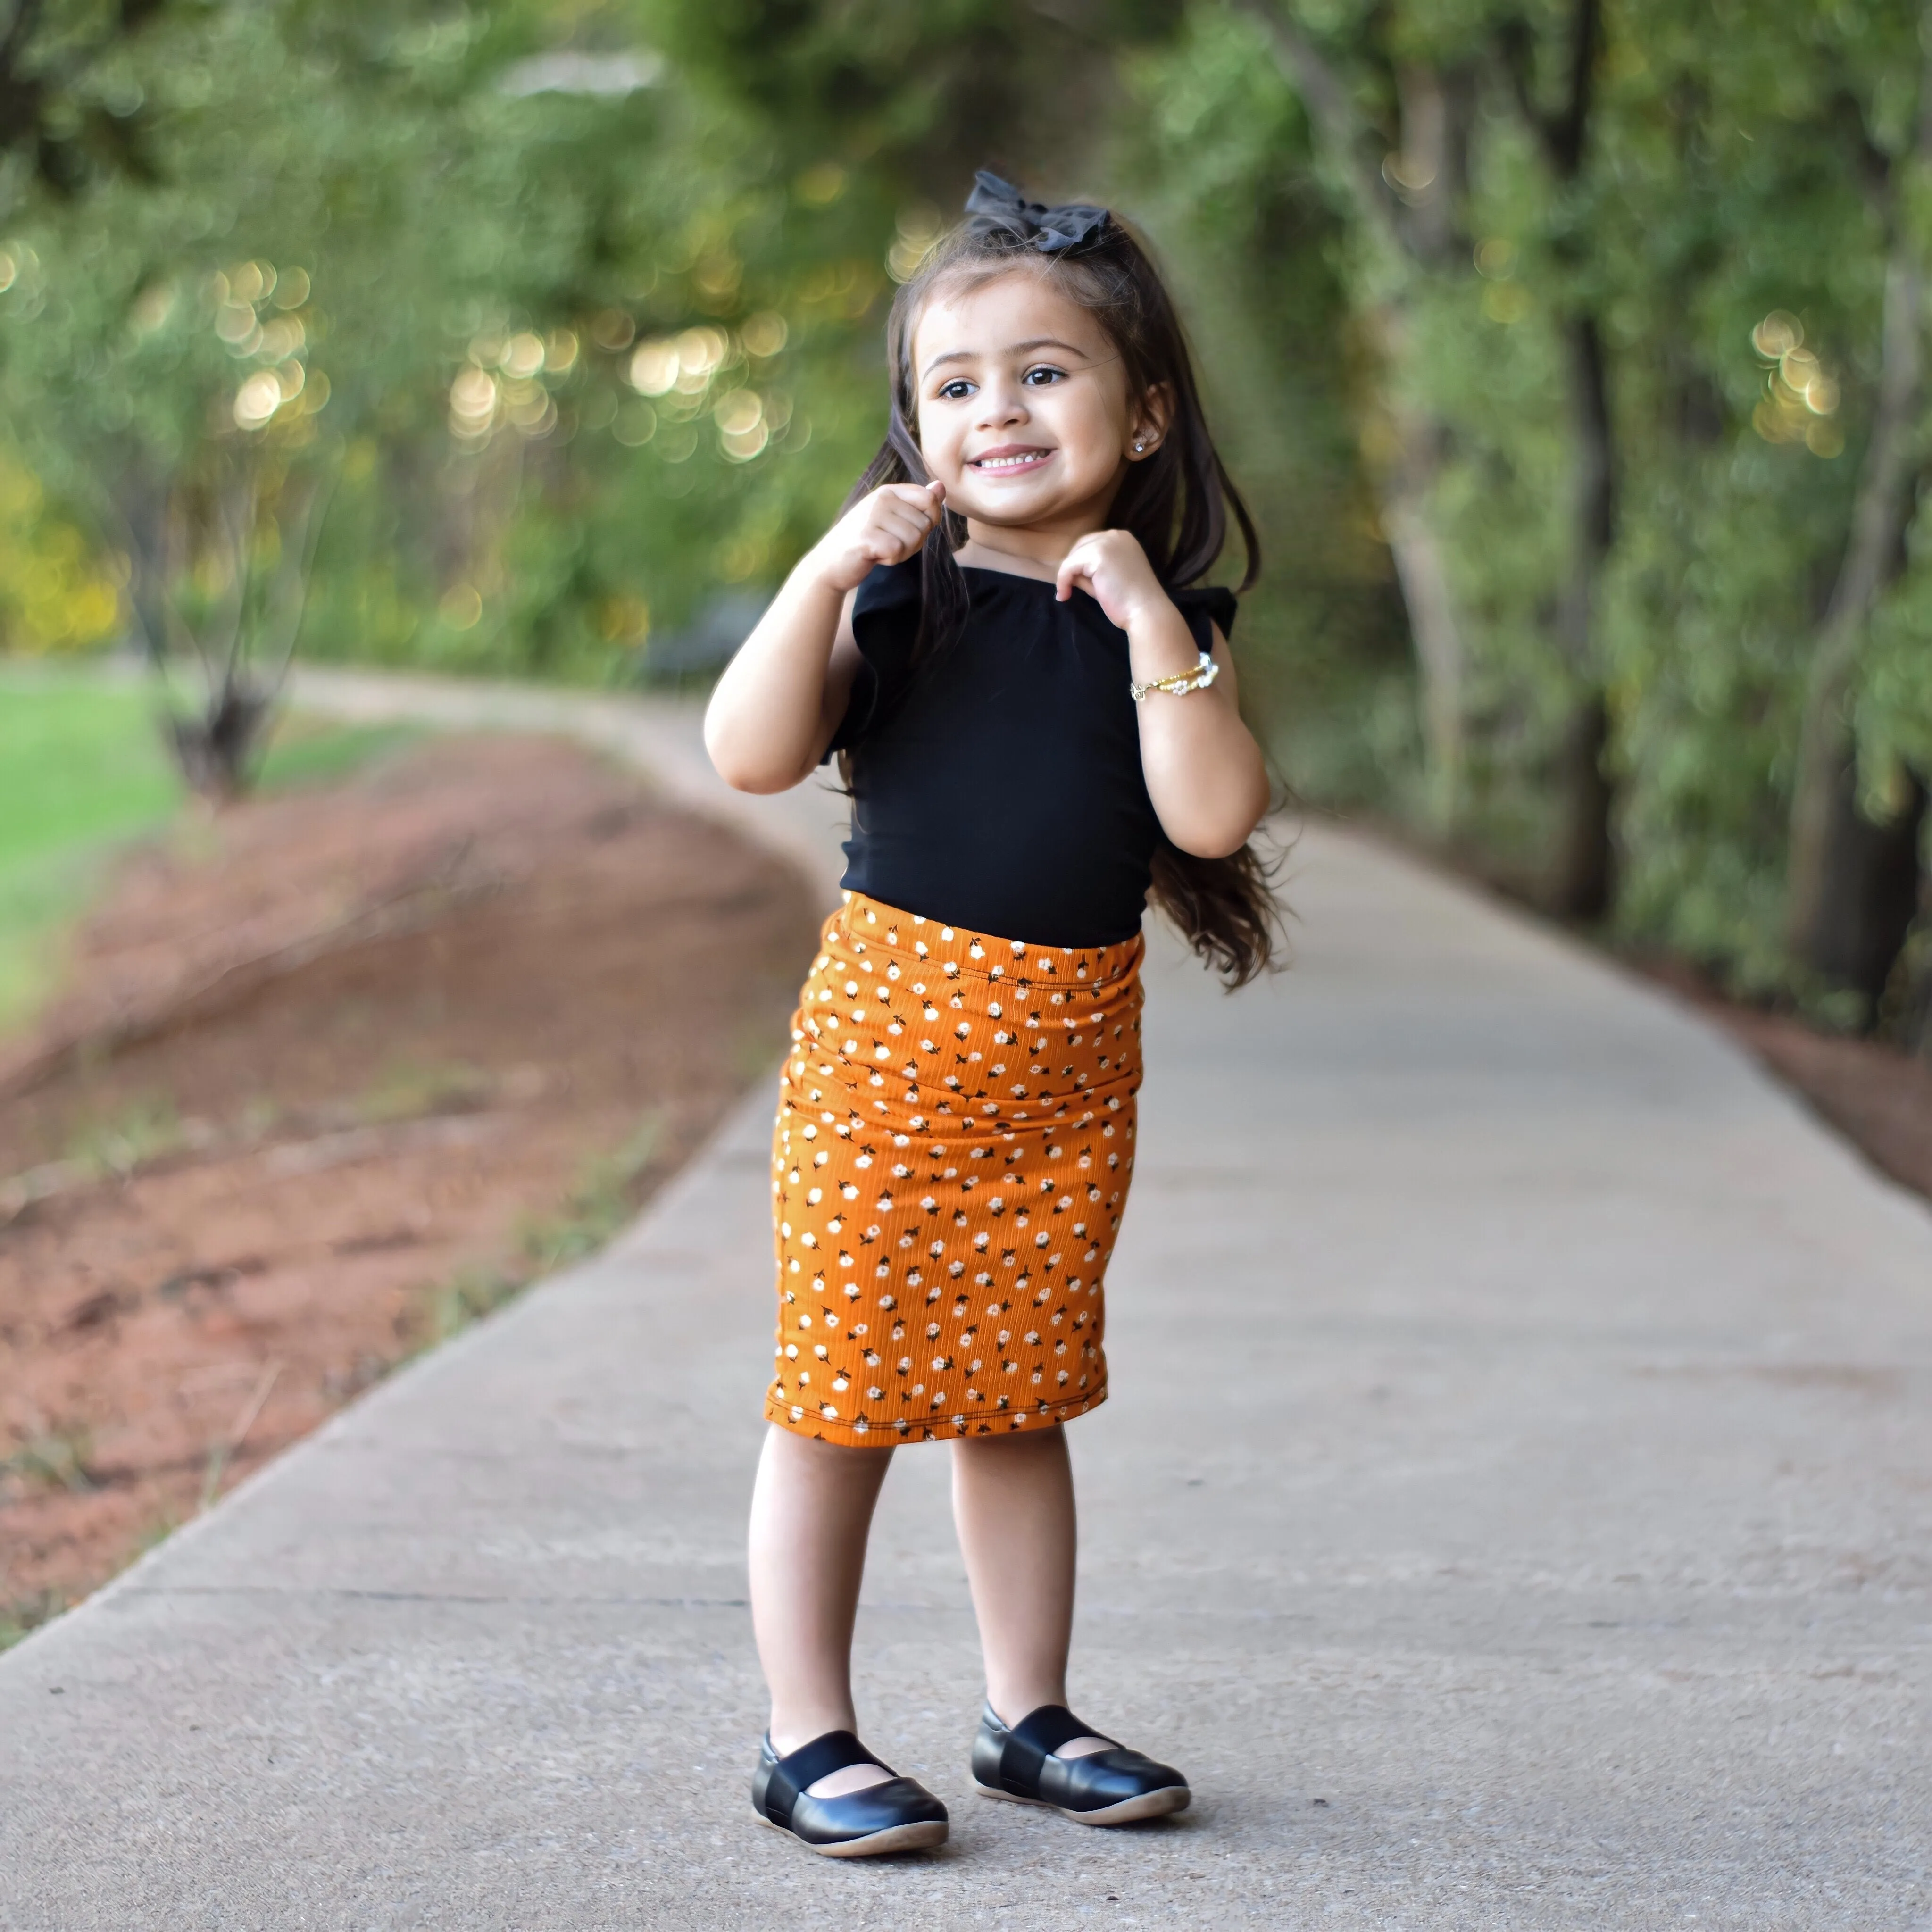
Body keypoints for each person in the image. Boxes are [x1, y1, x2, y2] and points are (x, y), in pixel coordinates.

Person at [704, 170, 1278, 1858]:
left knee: (1020, 1392)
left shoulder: (1166, 629)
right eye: (954, 386)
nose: (998, 409)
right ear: (913, 428)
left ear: (1146, 410)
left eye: (1045, 370)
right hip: (889, 1051)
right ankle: (805, 1735)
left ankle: (1027, 1715)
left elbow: (1215, 815)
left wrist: (1153, 612)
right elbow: (746, 753)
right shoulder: (896, 599)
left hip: (1064, 1071)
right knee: (843, 1396)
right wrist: (819, 574)